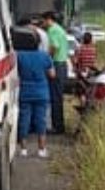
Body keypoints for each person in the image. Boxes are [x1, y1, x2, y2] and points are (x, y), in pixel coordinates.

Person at [15, 26, 55, 158]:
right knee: (41, 121)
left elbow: (16, 73)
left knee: (24, 120)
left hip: (25, 91)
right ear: (38, 43)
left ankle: (23, 149)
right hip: (41, 92)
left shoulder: (19, 55)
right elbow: (52, 74)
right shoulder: (44, 56)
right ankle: (41, 149)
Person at [40, 11, 70, 135]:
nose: (42, 24)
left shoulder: (53, 30)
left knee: (55, 98)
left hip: (57, 64)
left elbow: (54, 47)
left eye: (43, 21)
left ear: (48, 20)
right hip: (62, 64)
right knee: (57, 97)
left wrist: (47, 60)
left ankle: (58, 127)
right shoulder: (60, 29)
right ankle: (58, 125)